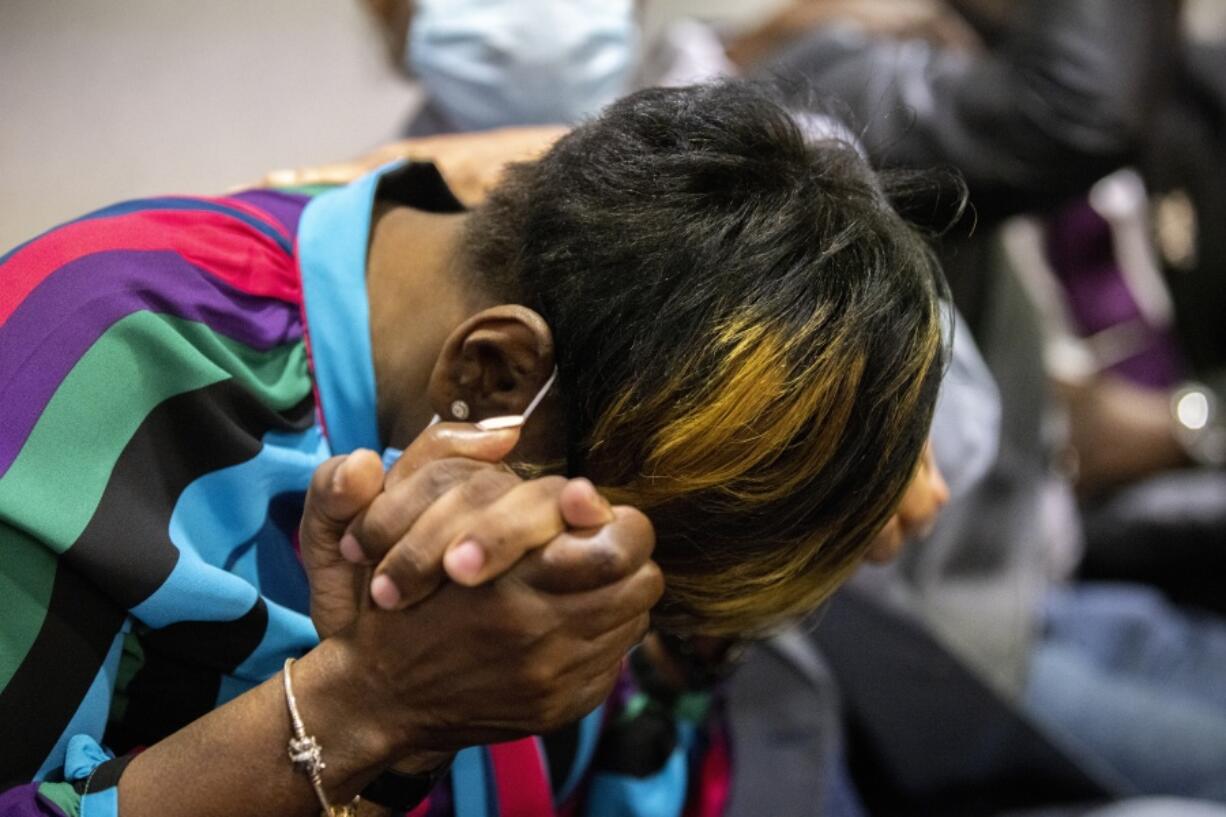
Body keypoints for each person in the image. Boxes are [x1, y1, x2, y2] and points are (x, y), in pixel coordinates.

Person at [0, 81, 950, 816]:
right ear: (493, 379)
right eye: (635, 577)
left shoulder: (538, 288)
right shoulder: (86, 395)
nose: (615, 634)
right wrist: (367, 702)